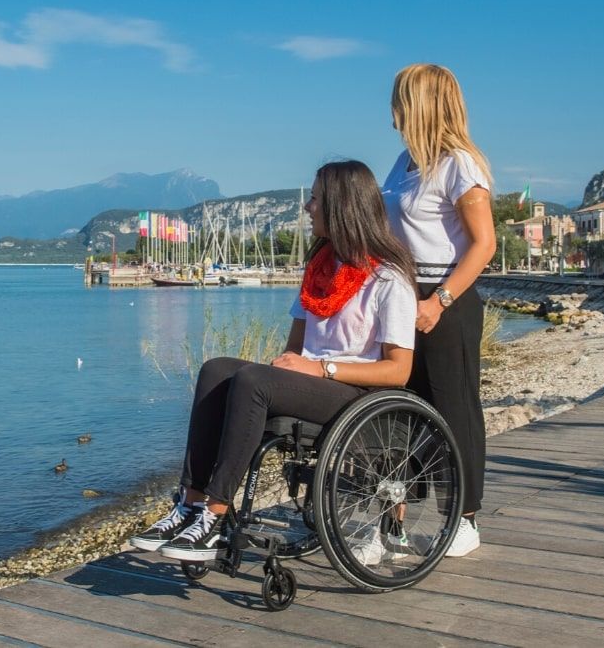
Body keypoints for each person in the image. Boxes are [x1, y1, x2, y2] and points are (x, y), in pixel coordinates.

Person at [130, 160, 418, 565]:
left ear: (341, 206)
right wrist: (293, 369)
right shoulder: (320, 272)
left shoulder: (388, 280)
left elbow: (398, 370)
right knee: (217, 370)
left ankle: (215, 515)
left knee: (254, 381)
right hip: (314, 383)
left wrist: (321, 369)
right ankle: (190, 503)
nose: (307, 207)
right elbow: (294, 350)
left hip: (356, 392)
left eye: (315, 199)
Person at [382, 64, 498, 558]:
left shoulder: (459, 165)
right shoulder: (403, 163)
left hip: (445, 299)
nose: (392, 109)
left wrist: (439, 301)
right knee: (394, 411)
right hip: (401, 296)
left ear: (421, 104)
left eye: (399, 99)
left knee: (453, 411)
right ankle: (391, 528)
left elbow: (484, 244)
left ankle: (464, 520)